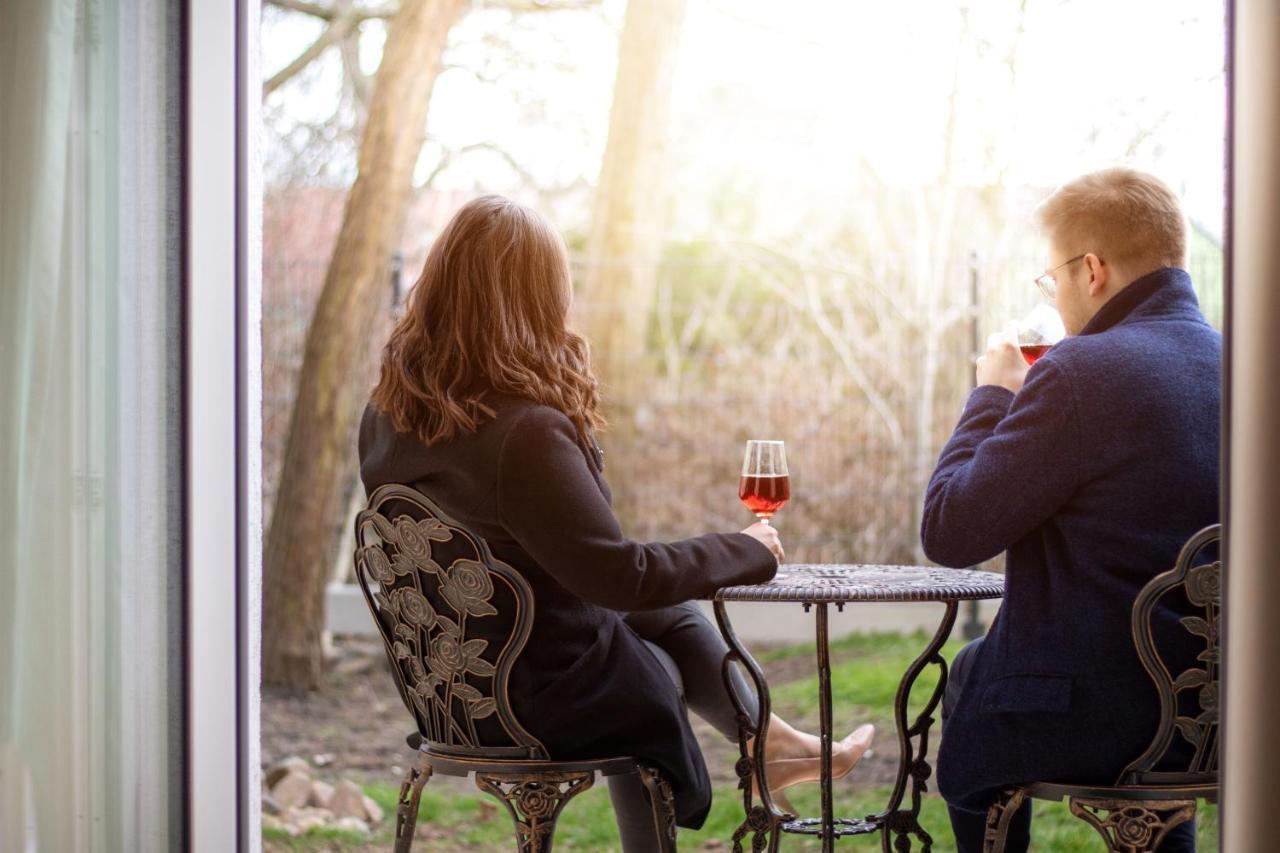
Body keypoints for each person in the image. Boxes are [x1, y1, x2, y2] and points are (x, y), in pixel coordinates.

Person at [358, 194, 873, 850]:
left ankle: (771, 742)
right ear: (538, 300)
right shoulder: (526, 432)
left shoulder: (388, 415)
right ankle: (760, 753)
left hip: (454, 688)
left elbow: (557, 566)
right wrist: (747, 549)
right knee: (653, 663)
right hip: (531, 698)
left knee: (672, 621)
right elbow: (620, 575)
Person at [921, 168, 1220, 852]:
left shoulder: (1080, 371)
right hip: (1219, 714)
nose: (1053, 294)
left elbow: (950, 529)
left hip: (1095, 716)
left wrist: (992, 396)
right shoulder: (1241, 364)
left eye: (1051, 277)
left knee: (969, 677)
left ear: (1092, 270)